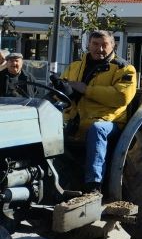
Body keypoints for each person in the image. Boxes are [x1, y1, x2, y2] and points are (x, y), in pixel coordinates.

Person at [54, 30, 137, 195]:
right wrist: (62, 89)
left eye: (104, 45)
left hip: (110, 122)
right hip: (74, 120)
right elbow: (61, 90)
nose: (99, 49)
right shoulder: (75, 66)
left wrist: (86, 89)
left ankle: (93, 186)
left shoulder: (125, 69)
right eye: (95, 44)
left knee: (97, 129)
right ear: (88, 45)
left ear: (113, 45)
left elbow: (121, 97)